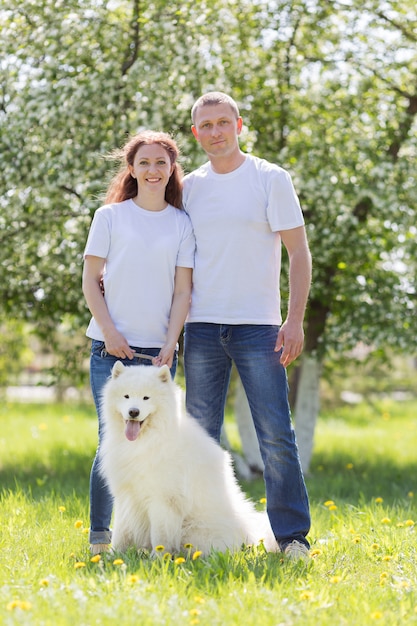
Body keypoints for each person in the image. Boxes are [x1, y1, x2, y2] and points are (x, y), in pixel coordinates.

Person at [182, 92, 312, 560]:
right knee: (197, 436)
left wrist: (293, 319)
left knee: (275, 433)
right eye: (206, 126)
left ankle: (292, 536)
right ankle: (201, 532)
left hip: (259, 327)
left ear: (239, 125)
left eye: (223, 122)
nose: (215, 132)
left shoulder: (270, 178)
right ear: (196, 134)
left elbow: (299, 253)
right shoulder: (190, 186)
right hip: (199, 328)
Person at [82, 131, 195, 554]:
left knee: (158, 448)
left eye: (160, 163)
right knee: (111, 441)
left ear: (172, 169)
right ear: (131, 169)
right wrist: (109, 331)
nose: (153, 170)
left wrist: (172, 342)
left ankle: (151, 536)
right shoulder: (109, 218)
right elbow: (91, 281)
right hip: (109, 351)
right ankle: (100, 537)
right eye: (144, 163)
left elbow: (183, 291)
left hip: (160, 358)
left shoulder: (182, 223)